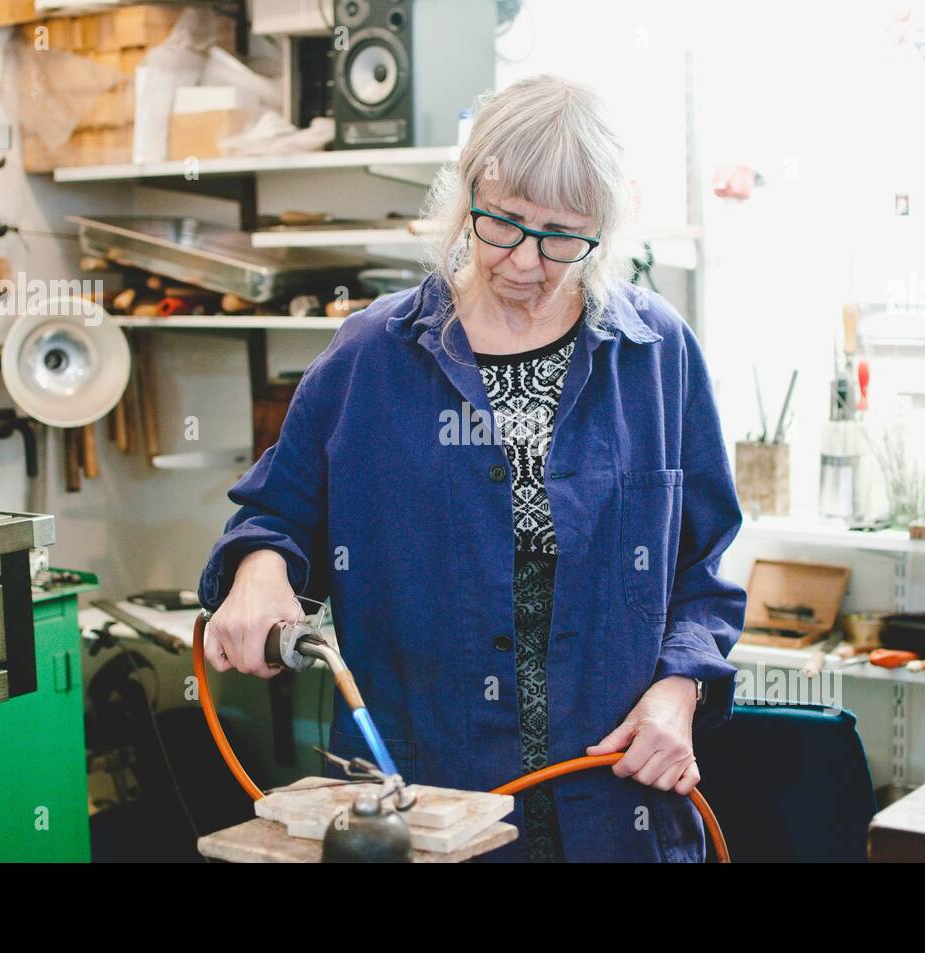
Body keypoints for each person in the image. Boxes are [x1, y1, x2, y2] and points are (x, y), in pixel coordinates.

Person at [198, 74, 745, 862]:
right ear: (467, 197)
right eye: (504, 224)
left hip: (616, 814)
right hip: (427, 812)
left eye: (563, 235)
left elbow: (707, 568)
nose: (527, 261)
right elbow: (273, 515)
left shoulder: (657, 356)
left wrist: (678, 690)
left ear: (605, 230)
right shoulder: (371, 358)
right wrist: (257, 570)